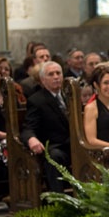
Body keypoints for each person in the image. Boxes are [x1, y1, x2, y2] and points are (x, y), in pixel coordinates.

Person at [20, 61, 71, 192]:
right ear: (43, 80)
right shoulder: (36, 100)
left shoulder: (70, 96)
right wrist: (31, 139)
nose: (56, 77)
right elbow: (28, 128)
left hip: (74, 145)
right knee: (53, 158)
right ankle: (58, 198)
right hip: (55, 146)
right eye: (51, 74)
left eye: (58, 73)